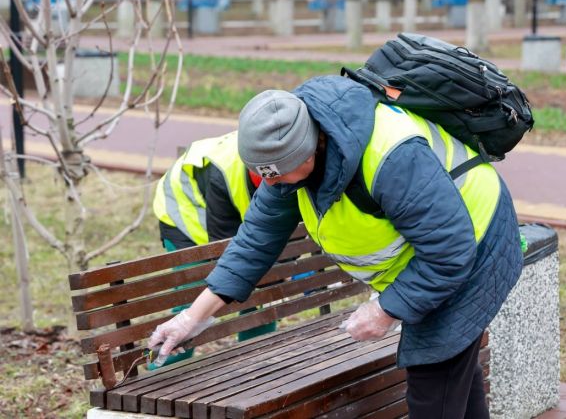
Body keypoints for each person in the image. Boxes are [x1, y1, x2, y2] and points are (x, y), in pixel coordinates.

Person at [148, 76, 524, 418]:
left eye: (275, 173)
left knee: (433, 377)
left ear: (309, 152)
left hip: (478, 243)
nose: (270, 182)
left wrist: (385, 310)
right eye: (263, 173)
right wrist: (191, 318)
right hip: (434, 258)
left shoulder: (391, 158)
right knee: (453, 370)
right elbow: (253, 244)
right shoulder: (286, 168)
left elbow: (448, 254)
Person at [151, 131, 275, 367]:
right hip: (183, 212)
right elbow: (227, 251)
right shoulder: (225, 174)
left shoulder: (282, 155)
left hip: (231, 211)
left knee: (263, 287)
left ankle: (256, 366)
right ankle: (164, 375)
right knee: (190, 300)